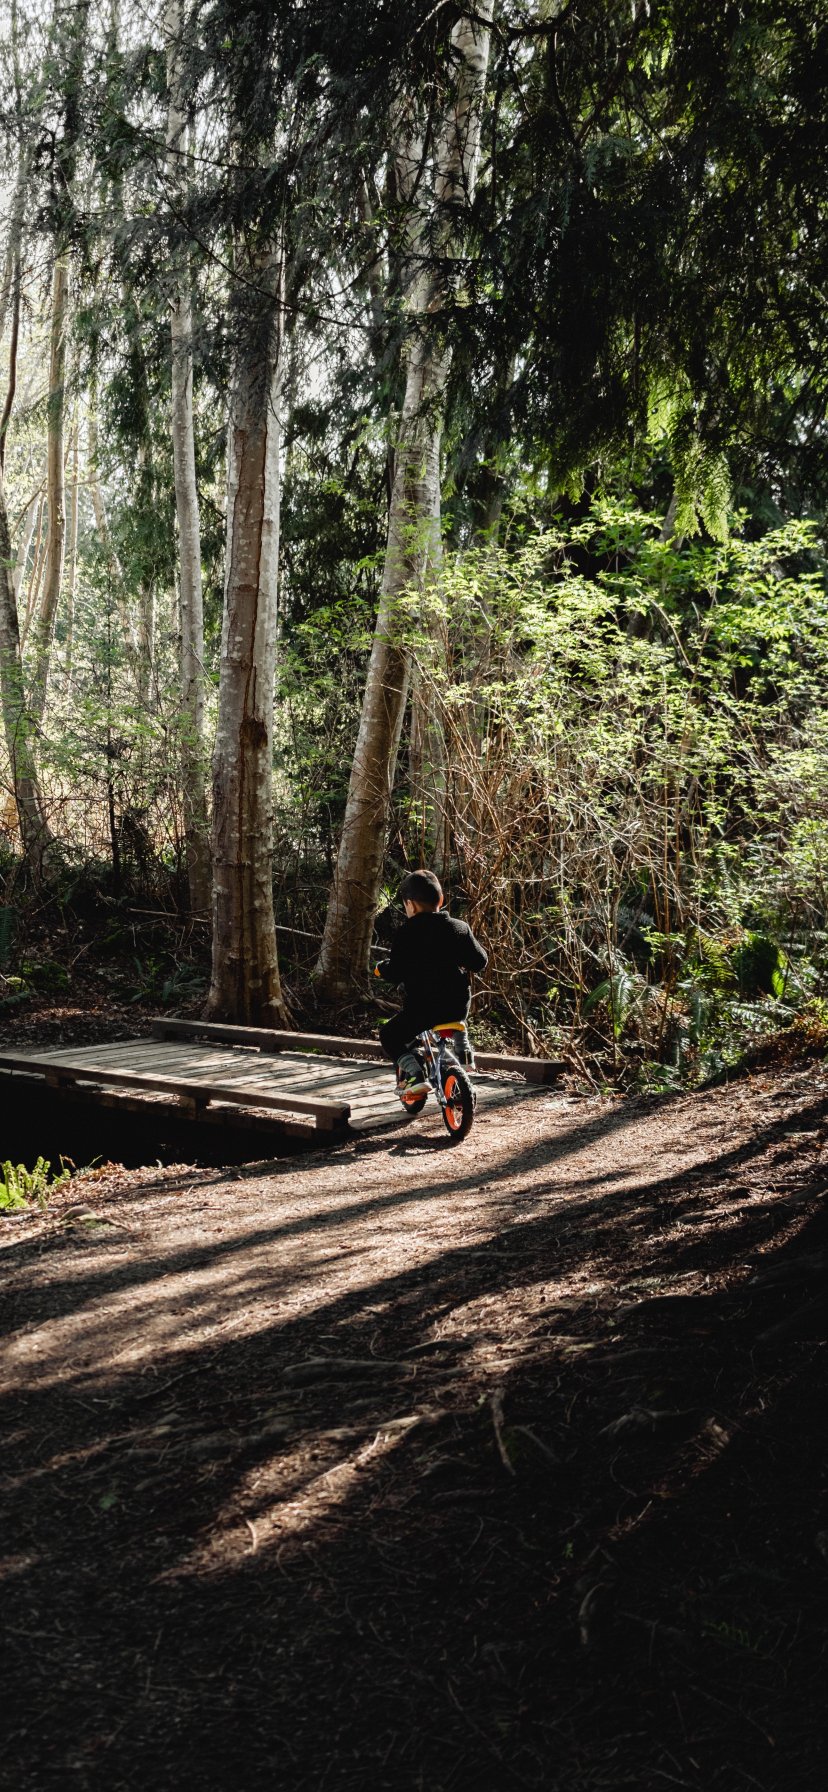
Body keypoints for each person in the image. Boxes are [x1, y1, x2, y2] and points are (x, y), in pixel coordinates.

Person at [375, 869, 488, 1093]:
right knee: (454, 1012)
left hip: (423, 1009)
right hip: (457, 1005)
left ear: (410, 905)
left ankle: (415, 1075)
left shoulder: (407, 933)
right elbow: (479, 961)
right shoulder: (459, 927)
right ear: (441, 899)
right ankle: (463, 1050)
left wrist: (381, 969)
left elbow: (396, 971)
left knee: (389, 1035)